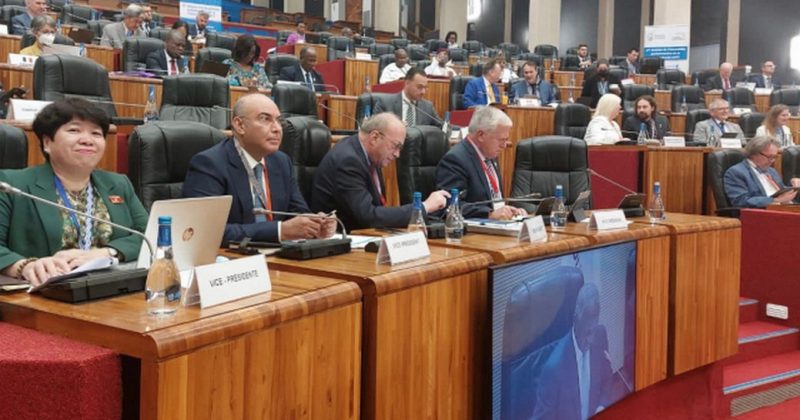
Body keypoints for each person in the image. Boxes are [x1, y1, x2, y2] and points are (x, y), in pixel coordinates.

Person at [0, 98, 148, 287]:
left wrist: (107, 252)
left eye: (96, 133)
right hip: (46, 291)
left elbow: (149, 235)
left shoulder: (118, 183)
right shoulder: (12, 185)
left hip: (110, 287)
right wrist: (24, 266)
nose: (87, 140)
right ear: (47, 143)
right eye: (74, 130)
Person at [182, 94, 335, 245]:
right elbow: (206, 231)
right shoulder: (210, 164)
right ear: (240, 125)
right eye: (265, 119)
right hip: (234, 257)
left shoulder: (281, 161)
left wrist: (315, 224)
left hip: (278, 253)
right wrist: (279, 231)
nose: (277, 128)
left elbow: (297, 213)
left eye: (279, 120)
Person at [311, 112, 450, 230]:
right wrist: (423, 207)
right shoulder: (348, 161)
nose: (397, 154)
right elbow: (369, 217)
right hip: (342, 241)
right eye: (395, 146)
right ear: (374, 137)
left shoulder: (369, 156)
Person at [532, 283, 612, 420]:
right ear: (576, 320)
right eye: (587, 333)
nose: (591, 339)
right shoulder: (553, 370)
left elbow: (607, 379)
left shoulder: (600, 336)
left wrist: (601, 407)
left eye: (594, 331)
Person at [436, 106, 527, 219]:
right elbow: (450, 205)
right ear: (481, 135)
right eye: (501, 140)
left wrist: (509, 211)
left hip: (498, 224)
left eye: (506, 139)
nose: (504, 146)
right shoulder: (455, 160)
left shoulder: (490, 154)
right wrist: (489, 213)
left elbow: (494, 199)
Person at [724, 136, 800, 208]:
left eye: (774, 157)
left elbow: (780, 192)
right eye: (770, 157)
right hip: (761, 212)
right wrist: (776, 200)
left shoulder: (771, 170)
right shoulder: (736, 172)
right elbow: (740, 201)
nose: (772, 161)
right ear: (754, 153)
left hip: (785, 208)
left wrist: (793, 185)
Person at [374, 67, 441, 128]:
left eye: (425, 87)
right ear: (407, 83)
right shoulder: (385, 103)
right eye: (419, 87)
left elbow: (442, 127)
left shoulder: (427, 107)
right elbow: (375, 127)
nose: (423, 92)